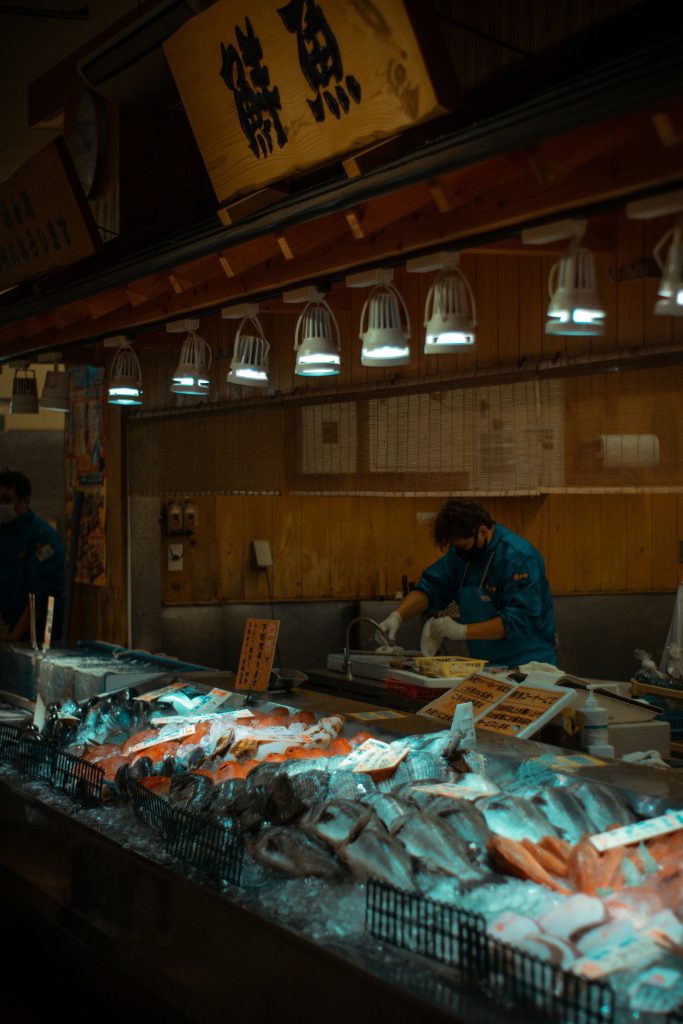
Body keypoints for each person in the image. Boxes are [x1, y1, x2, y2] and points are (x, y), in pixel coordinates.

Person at [378, 498, 557, 667]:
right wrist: (397, 616)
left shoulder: (518, 558)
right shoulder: (459, 555)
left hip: (529, 664)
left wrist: (462, 631)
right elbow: (431, 587)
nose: (459, 551)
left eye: (463, 546)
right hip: (486, 664)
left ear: (483, 532)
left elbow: (519, 620)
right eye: (455, 546)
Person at [0, 468, 65, 644]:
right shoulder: (5, 531)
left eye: (7, 500)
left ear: (25, 501)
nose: (2, 506)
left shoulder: (41, 537)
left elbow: (45, 592)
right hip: (10, 623)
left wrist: (16, 634)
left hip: (39, 630)